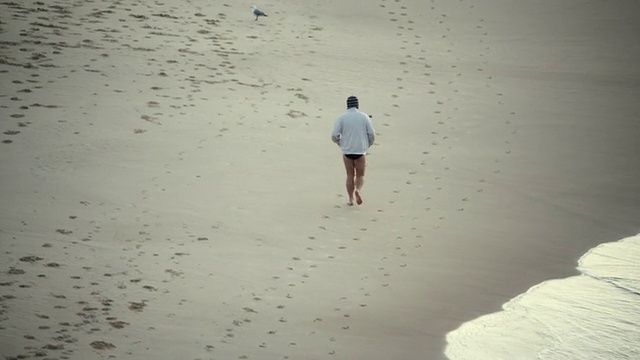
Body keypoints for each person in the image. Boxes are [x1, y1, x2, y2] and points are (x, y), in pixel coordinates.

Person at [331, 96, 375, 206]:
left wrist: (340, 143)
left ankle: (350, 199)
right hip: (360, 150)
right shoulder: (364, 117)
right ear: (357, 105)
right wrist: (367, 145)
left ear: (347, 105)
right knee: (360, 175)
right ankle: (358, 191)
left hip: (347, 150)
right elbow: (372, 135)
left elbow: (334, 135)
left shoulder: (342, 118)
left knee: (349, 175)